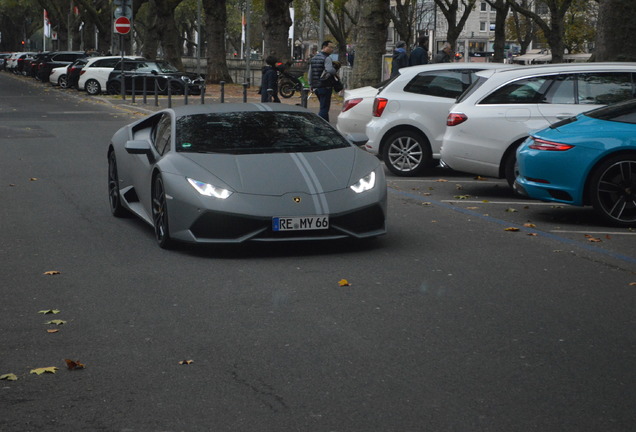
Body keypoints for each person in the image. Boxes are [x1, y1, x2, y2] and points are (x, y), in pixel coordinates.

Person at [309, 40, 337, 121]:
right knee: (324, 108)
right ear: (324, 47)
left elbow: (310, 73)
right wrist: (335, 70)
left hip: (316, 86)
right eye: (330, 47)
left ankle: (326, 124)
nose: (332, 49)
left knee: (323, 106)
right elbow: (330, 70)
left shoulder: (314, 58)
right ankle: (319, 124)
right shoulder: (327, 58)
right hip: (325, 86)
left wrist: (311, 84)